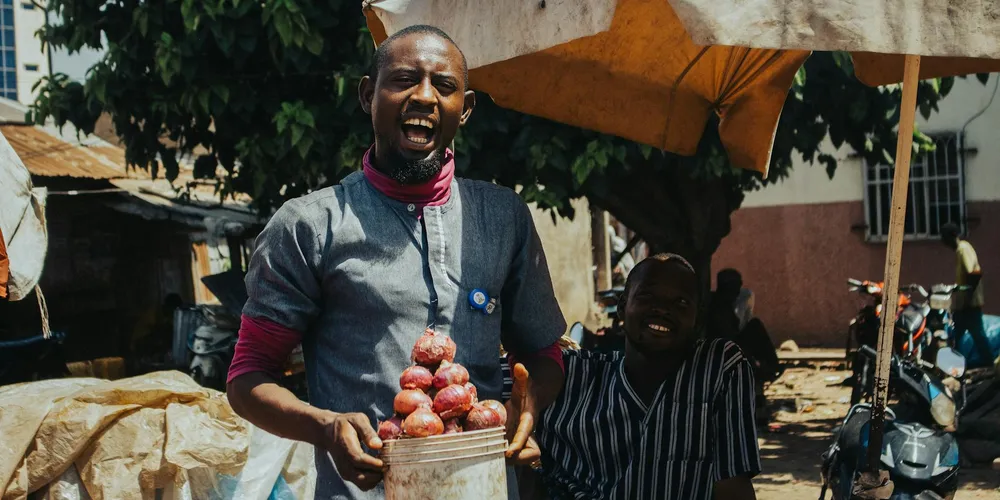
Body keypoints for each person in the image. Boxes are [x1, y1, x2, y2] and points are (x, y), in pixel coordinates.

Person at [226, 25, 567, 499]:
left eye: (444, 86)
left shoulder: (503, 217)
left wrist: (525, 410)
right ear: (368, 95)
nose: (424, 97)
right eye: (404, 80)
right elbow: (247, 379)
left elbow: (545, 355)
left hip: (484, 488)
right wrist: (325, 427)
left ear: (464, 110)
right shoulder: (310, 225)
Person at [531, 254, 760, 499]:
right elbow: (502, 380)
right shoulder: (575, 376)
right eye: (647, 296)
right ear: (622, 306)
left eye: (681, 302)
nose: (662, 309)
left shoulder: (716, 369)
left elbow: (733, 486)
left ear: (697, 318)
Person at [941, 222, 992, 365]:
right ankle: (958, 366)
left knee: (976, 336)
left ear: (952, 237)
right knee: (958, 337)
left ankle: (989, 365)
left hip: (969, 304)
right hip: (964, 304)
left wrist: (968, 296)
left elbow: (974, 273)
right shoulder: (961, 250)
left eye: (944, 238)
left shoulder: (963, 249)